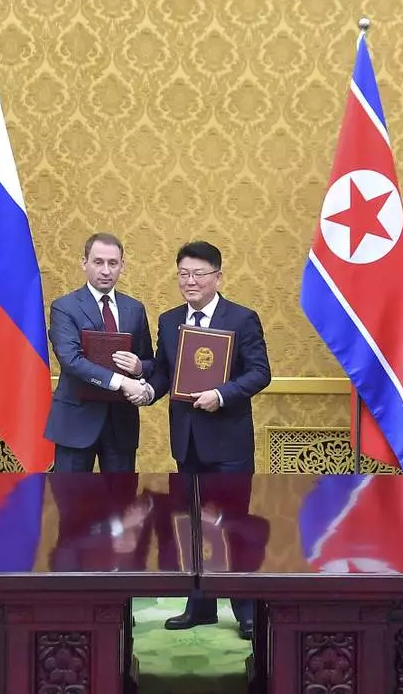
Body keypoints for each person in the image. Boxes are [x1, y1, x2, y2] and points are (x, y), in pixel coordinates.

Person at [148, 240, 271, 640]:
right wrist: (147, 390)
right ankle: (199, 605)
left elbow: (259, 373)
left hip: (230, 443)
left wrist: (221, 395)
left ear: (218, 276)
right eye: (183, 273)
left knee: (233, 525)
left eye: (199, 273)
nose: (190, 281)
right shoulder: (168, 321)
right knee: (193, 528)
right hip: (187, 442)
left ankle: (245, 608)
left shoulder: (242, 318)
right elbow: (166, 373)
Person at [43, 234, 154, 473]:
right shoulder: (65, 307)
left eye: (113, 263)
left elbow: (148, 360)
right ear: (84, 263)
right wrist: (123, 382)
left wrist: (139, 369)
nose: (106, 270)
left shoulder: (134, 309)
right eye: (98, 262)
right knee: (71, 502)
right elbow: (71, 360)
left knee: (120, 504)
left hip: (121, 424)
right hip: (75, 423)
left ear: (122, 266)